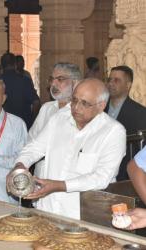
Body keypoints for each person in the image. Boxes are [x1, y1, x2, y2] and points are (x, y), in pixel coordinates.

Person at [9, 78, 126, 219]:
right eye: (74, 100)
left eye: (84, 103)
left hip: (82, 215)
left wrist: (59, 186)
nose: (76, 107)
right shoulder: (60, 118)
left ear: (101, 106)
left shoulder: (113, 131)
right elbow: (35, 147)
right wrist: (20, 164)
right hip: (47, 208)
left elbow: (101, 178)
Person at [28, 63, 82, 178]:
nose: (53, 84)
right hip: (41, 177)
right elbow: (31, 140)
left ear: (75, 82)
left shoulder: (83, 112)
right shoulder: (46, 108)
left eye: (60, 79)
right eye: (52, 79)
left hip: (66, 181)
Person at [106, 65, 146, 181]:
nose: (111, 83)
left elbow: (140, 150)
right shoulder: (98, 109)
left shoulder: (141, 113)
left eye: (117, 80)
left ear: (128, 85)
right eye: (109, 80)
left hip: (125, 176)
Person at [0, 52, 40, 129]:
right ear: (15, 65)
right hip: (24, 124)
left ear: (1, 66)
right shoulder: (25, 80)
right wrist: (33, 120)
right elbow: (36, 102)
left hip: (3, 126)